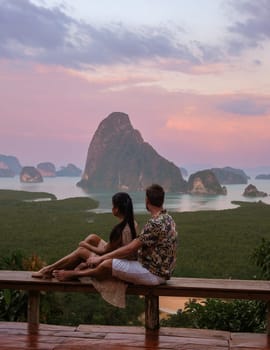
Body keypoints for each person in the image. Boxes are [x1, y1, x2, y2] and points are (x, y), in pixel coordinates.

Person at [53, 184, 177, 286]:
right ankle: (62, 269)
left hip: (153, 273)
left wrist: (101, 258)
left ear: (147, 200)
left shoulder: (155, 223)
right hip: (160, 270)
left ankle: (73, 274)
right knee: (102, 253)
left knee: (107, 264)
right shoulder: (168, 218)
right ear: (162, 200)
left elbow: (130, 248)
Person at [32, 192, 138, 279]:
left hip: (116, 263)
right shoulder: (133, 223)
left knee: (81, 250)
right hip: (123, 258)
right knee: (92, 238)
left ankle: (49, 270)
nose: (112, 208)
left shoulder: (119, 230)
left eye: (113, 206)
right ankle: (77, 265)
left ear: (117, 209)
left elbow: (104, 252)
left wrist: (85, 245)